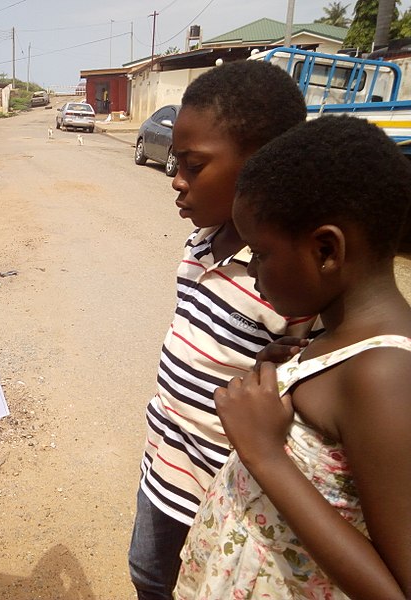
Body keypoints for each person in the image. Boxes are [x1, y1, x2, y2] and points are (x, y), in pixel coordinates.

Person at [175, 115, 411, 599]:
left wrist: (264, 454)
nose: (254, 275)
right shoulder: (332, 335)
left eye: (260, 254)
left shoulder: (384, 375)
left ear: (326, 249)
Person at [128, 60, 320, 600]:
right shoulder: (202, 242)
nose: (176, 179)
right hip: (165, 460)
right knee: (147, 574)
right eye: (174, 162)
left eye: (193, 164)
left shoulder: (293, 279)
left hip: (233, 487)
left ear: (262, 166)